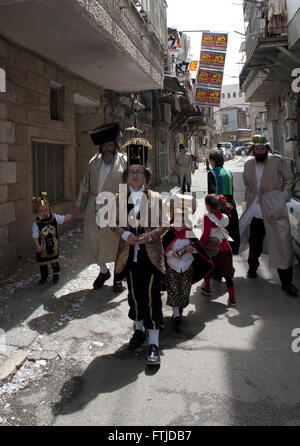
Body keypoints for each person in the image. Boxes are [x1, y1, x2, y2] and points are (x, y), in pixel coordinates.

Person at [110, 137, 165, 366]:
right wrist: (126, 235)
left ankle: (154, 344)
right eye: (131, 171)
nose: (134, 175)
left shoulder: (156, 198)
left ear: (146, 176)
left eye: (139, 171)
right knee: (134, 296)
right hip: (129, 257)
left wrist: (150, 236)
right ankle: (139, 331)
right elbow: (112, 223)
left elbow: (164, 225)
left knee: (151, 298)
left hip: (150, 257)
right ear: (126, 175)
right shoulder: (118, 198)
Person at [239, 135, 298, 296]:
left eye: (263, 148)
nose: (260, 151)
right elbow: (246, 184)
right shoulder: (248, 164)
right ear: (253, 149)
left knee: (282, 243)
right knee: (255, 240)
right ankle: (252, 266)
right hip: (255, 210)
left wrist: (283, 197)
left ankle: (287, 282)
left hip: (275, 207)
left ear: (267, 149)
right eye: (257, 149)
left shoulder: (277, 161)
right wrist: (248, 199)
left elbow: (289, 179)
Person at [74, 123, 127, 293]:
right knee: (94, 241)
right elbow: (85, 185)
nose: (107, 149)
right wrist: (78, 205)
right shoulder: (93, 162)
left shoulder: (125, 161)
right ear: (101, 147)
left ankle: (118, 277)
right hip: (95, 205)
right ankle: (104, 272)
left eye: (110, 145)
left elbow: (130, 186)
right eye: (104, 146)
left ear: (115, 145)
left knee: (116, 243)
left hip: (116, 205)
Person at [162, 206, 214, 332]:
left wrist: (193, 250)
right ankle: (176, 316)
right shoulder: (168, 233)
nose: (180, 224)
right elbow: (163, 250)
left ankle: (180, 308)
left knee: (184, 291)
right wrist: (171, 254)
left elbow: (199, 248)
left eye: (182, 221)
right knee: (173, 290)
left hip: (187, 267)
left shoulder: (189, 233)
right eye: (177, 221)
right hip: (172, 267)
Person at [200, 194, 237, 306]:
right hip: (226, 249)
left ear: (208, 206)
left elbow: (206, 235)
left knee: (207, 268)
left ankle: (207, 288)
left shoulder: (208, 218)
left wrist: (200, 247)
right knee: (228, 275)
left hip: (212, 249)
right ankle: (232, 298)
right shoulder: (225, 217)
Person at [32, 192, 73, 285]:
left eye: (46, 210)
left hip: (53, 245)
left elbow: (63, 219)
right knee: (43, 263)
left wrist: (72, 215)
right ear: (38, 211)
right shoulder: (36, 222)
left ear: (49, 208)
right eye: (41, 211)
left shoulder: (54, 217)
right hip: (42, 246)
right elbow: (35, 235)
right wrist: (37, 245)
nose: (44, 213)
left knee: (54, 261)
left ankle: (56, 274)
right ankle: (44, 276)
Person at [207, 148, 240, 255]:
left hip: (219, 207)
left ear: (213, 161)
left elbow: (212, 193)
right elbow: (231, 191)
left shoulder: (212, 173)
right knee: (233, 231)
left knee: (219, 234)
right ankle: (233, 252)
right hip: (231, 206)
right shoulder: (229, 173)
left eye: (209, 160)